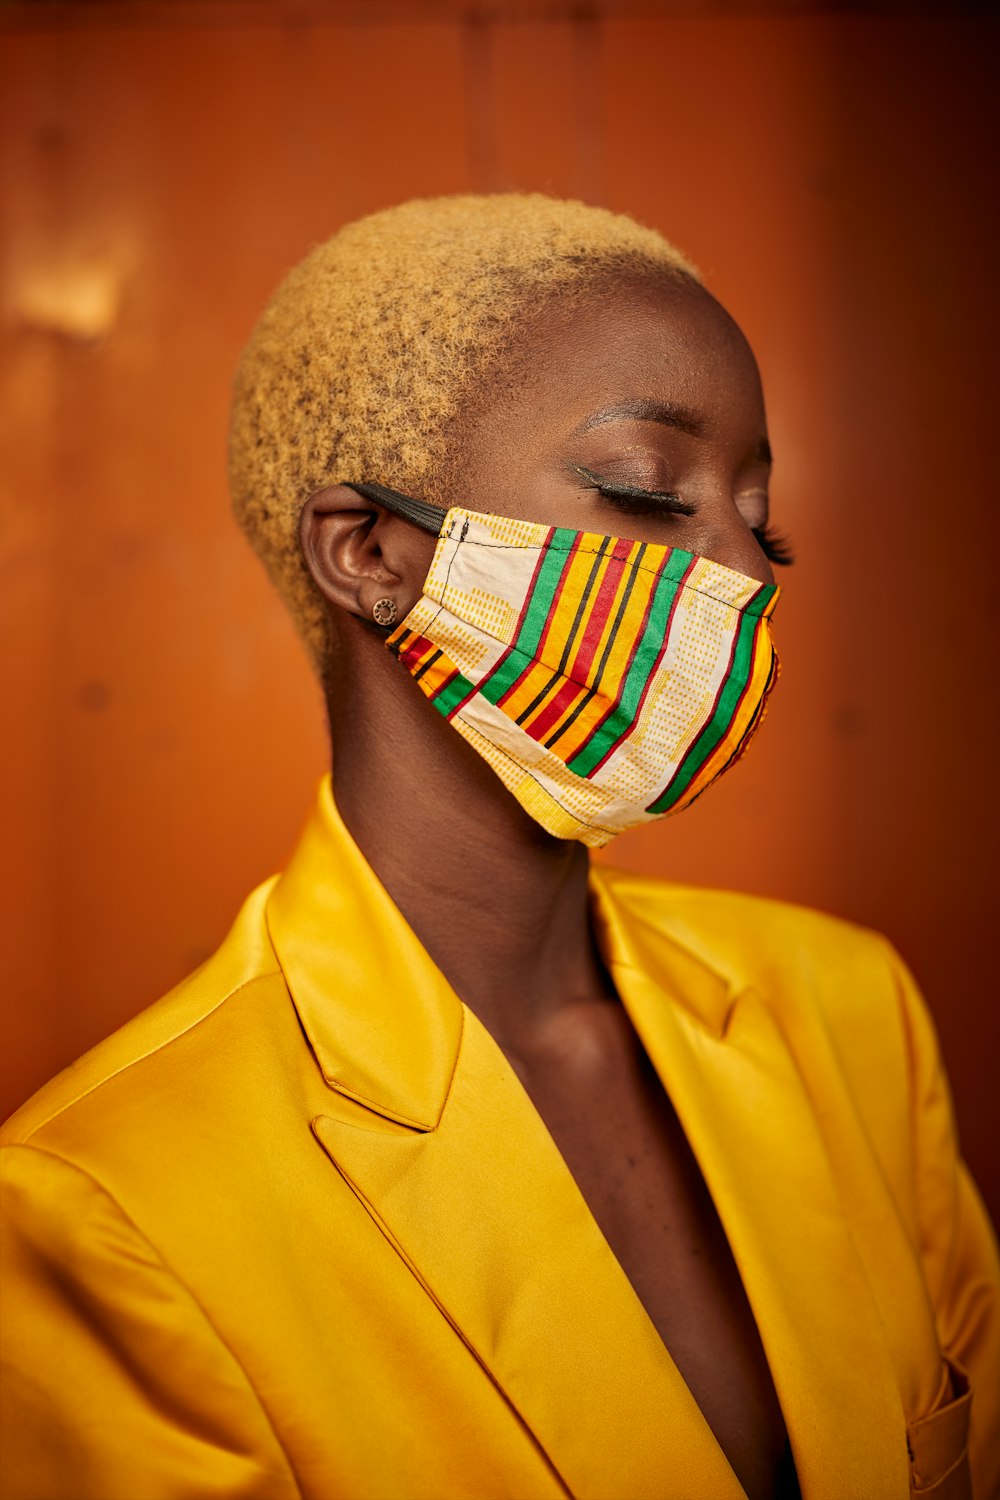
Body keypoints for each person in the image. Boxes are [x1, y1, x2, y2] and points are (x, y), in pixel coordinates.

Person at [1, 194, 997, 1500]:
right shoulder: (106, 1203)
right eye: (651, 494)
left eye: (765, 522)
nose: (745, 572)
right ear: (372, 554)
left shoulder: (853, 1012)